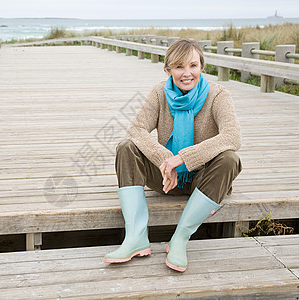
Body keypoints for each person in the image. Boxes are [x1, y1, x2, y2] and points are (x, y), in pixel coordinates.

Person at [104, 38, 242, 272]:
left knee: (230, 158)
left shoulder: (218, 95)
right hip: (166, 178)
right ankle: (135, 237)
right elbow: (136, 129)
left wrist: (184, 159)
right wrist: (165, 160)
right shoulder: (159, 92)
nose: (187, 73)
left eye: (193, 66)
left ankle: (180, 238)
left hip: (203, 180)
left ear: (201, 67)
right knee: (126, 147)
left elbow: (232, 137)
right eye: (179, 67)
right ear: (169, 70)